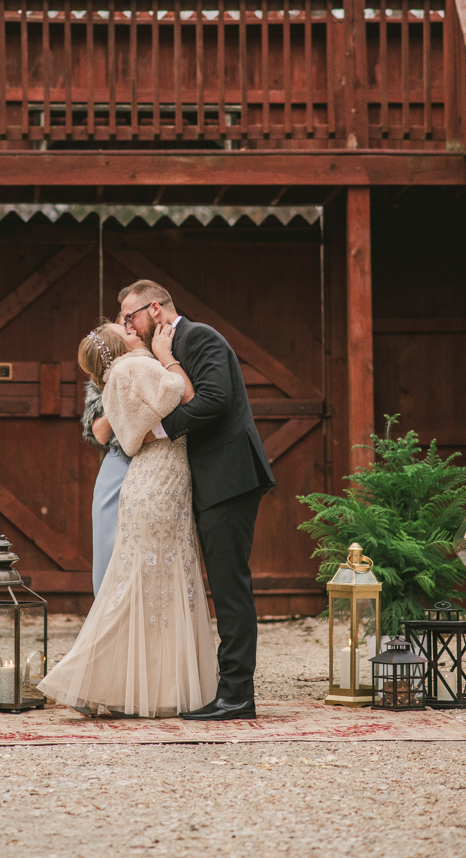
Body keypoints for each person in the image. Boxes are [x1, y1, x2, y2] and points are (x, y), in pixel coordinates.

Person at [38, 320, 217, 718]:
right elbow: (180, 394)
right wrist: (169, 360)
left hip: (155, 477)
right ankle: (96, 679)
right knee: (139, 579)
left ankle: (132, 685)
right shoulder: (135, 366)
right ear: (123, 343)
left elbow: (133, 427)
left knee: (142, 580)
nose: (133, 326)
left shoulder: (122, 372)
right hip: (155, 478)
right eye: (126, 326)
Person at [118, 279, 274, 722]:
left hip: (230, 477)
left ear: (154, 308)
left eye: (130, 316)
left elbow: (216, 399)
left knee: (230, 587)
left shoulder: (199, 336)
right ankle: (227, 690)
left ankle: (237, 695)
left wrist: (160, 432)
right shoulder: (168, 346)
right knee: (222, 585)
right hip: (209, 480)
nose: (127, 325)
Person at [80, 365, 130, 596]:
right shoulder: (103, 378)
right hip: (119, 460)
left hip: (161, 462)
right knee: (106, 543)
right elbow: (99, 433)